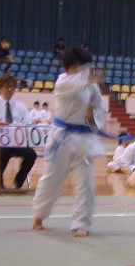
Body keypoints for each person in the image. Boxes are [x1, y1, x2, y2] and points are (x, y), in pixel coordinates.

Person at [32, 46, 106, 236]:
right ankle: (39, 215)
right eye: (79, 68)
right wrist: (87, 78)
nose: (84, 72)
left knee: (86, 183)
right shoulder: (62, 82)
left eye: (86, 67)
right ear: (69, 69)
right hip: (62, 137)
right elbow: (75, 84)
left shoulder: (92, 87)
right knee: (52, 179)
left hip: (84, 139)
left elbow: (99, 110)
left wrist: (91, 116)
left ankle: (82, 224)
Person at [0, 74, 37, 189]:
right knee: (5, 149)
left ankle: (18, 181)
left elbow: (28, 124)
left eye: (12, 87)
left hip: (17, 141)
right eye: (7, 87)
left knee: (31, 155)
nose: (10, 90)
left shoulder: (20, 106)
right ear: (0, 88)